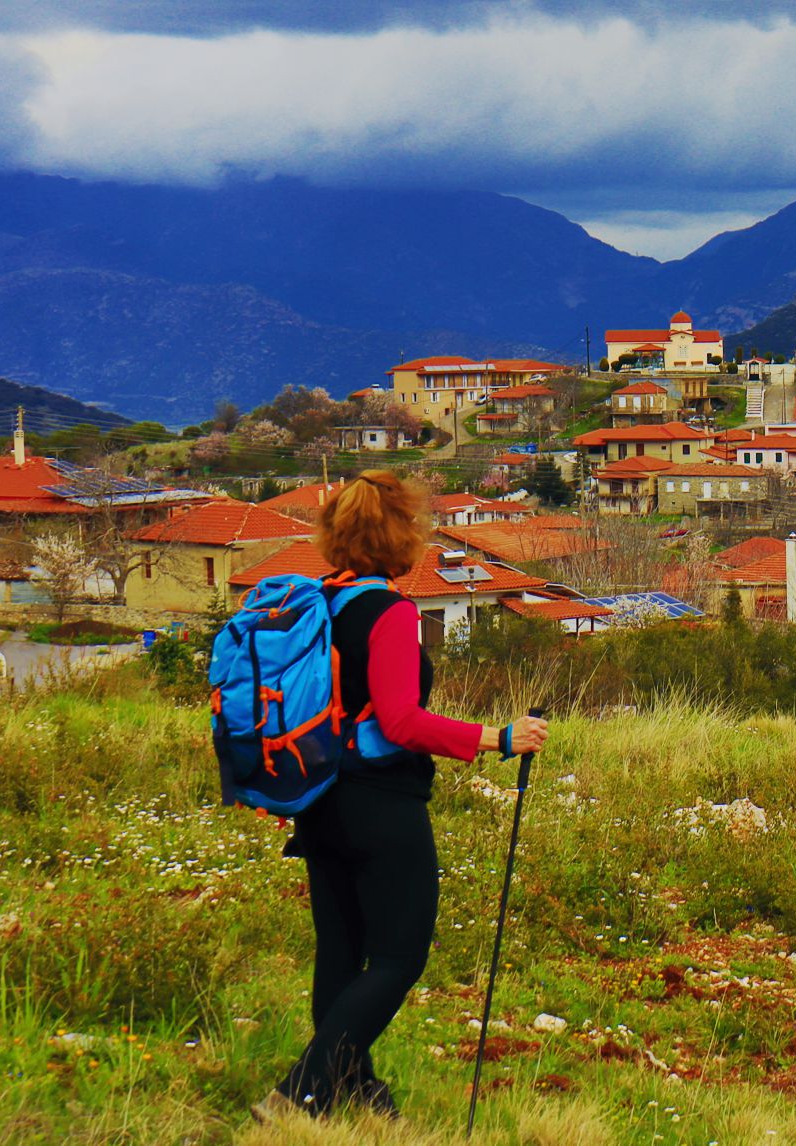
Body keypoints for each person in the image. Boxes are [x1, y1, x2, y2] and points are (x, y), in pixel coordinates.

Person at [254, 470, 548, 1121]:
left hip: (317, 800)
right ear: (402, 537)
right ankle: (298, 1093)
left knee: (341, 953)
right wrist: (500, 737)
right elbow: (401, 721)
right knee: (397, 957)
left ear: (335, 537)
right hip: (379, 804)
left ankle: (354, 1091)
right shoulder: (390, 612)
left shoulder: (318, 604)